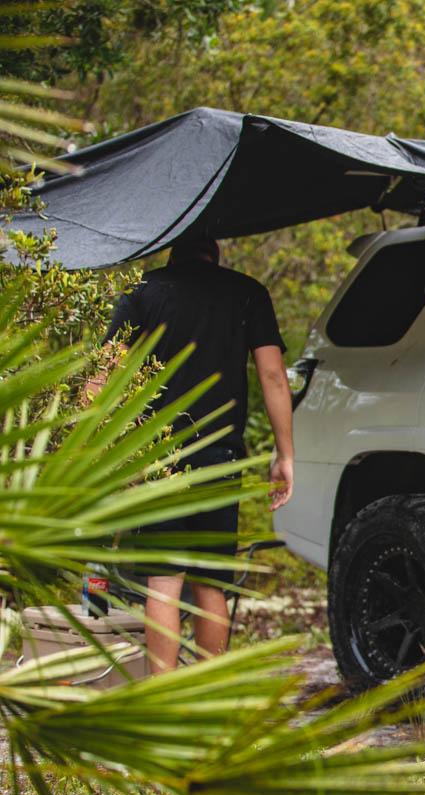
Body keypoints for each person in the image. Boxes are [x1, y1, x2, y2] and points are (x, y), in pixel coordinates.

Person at [99, 236, 294, 672]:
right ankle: (207, 695)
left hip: (158, 455)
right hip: (220, 456)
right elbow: (273, 375)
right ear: (215, 253)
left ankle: (163, 698)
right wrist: (285, 454)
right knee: (211, 582)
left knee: (163, 582)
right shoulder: (247, 292)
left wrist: (92, 449)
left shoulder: (142, 290)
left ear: (172, 251)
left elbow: (104, 372)